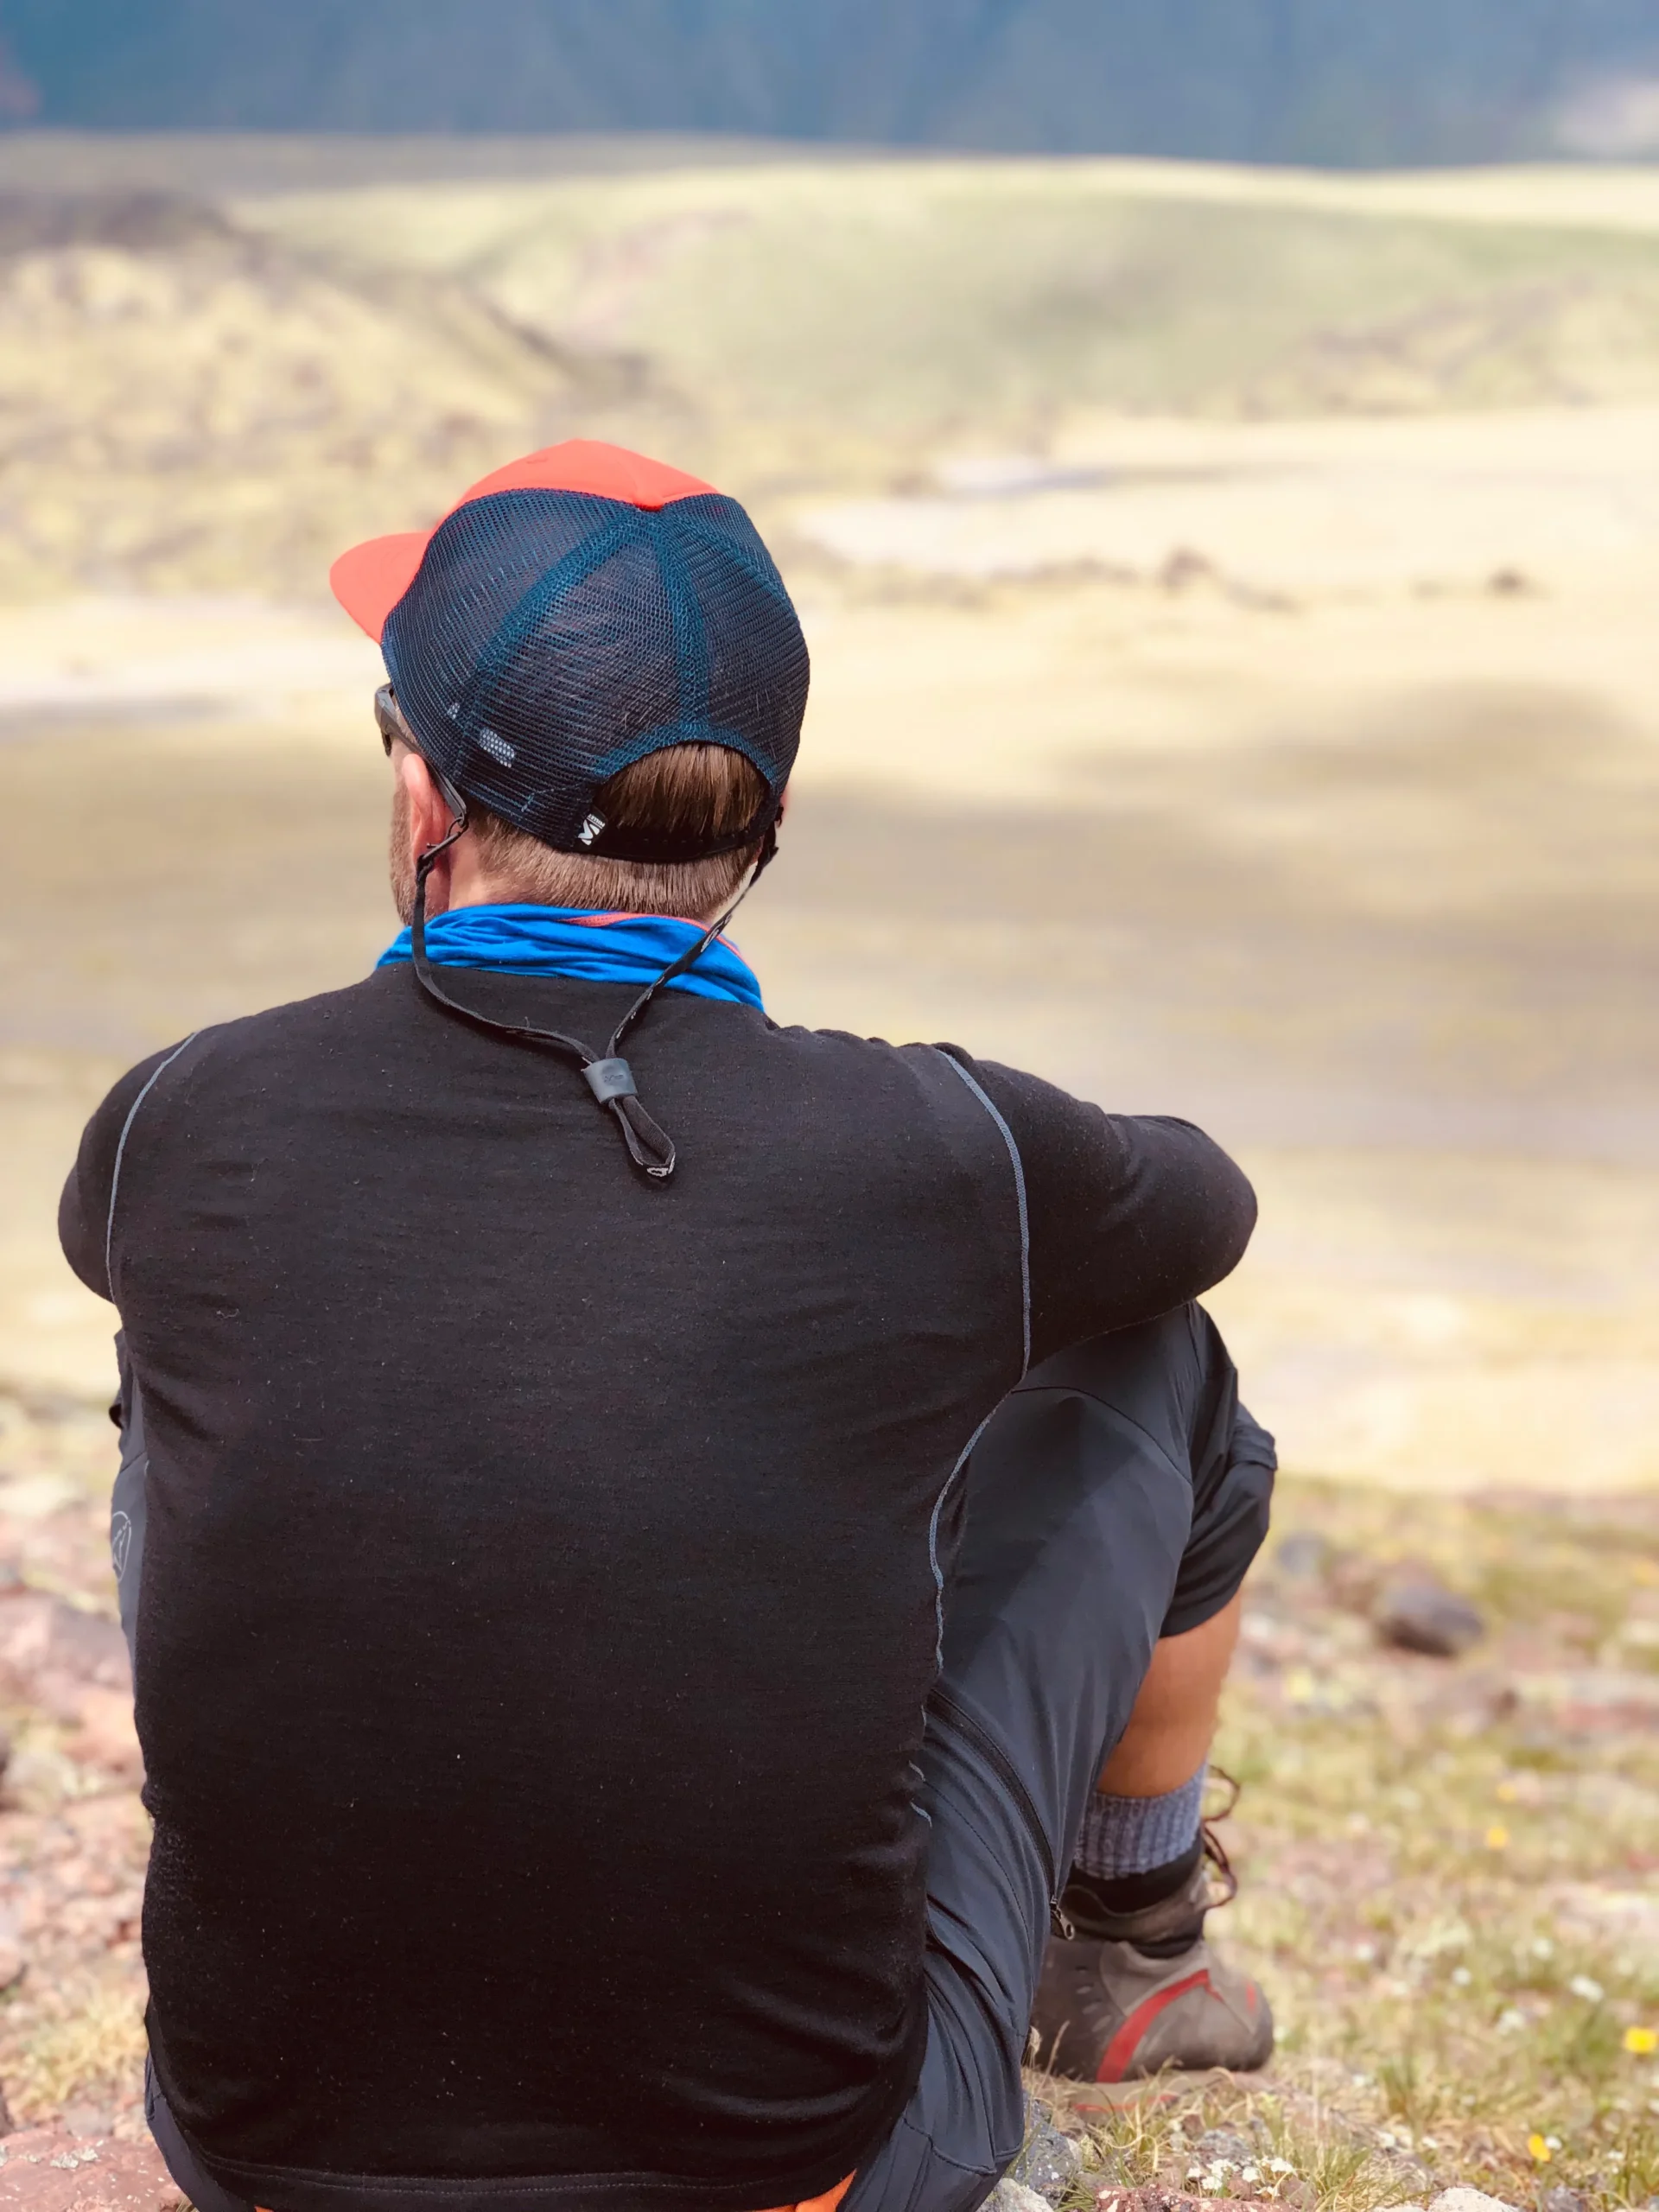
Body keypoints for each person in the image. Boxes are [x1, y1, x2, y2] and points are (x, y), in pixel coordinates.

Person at [60, 440, 1274, 2212]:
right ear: (761, 831)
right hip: (799, 2165)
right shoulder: (939, 1150)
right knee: (1154, 1349)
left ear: (420, 795)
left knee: (172, 1349)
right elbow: (1205, 1208)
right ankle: (1136, 1944)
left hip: (263, 2151)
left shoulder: (180, 1116)